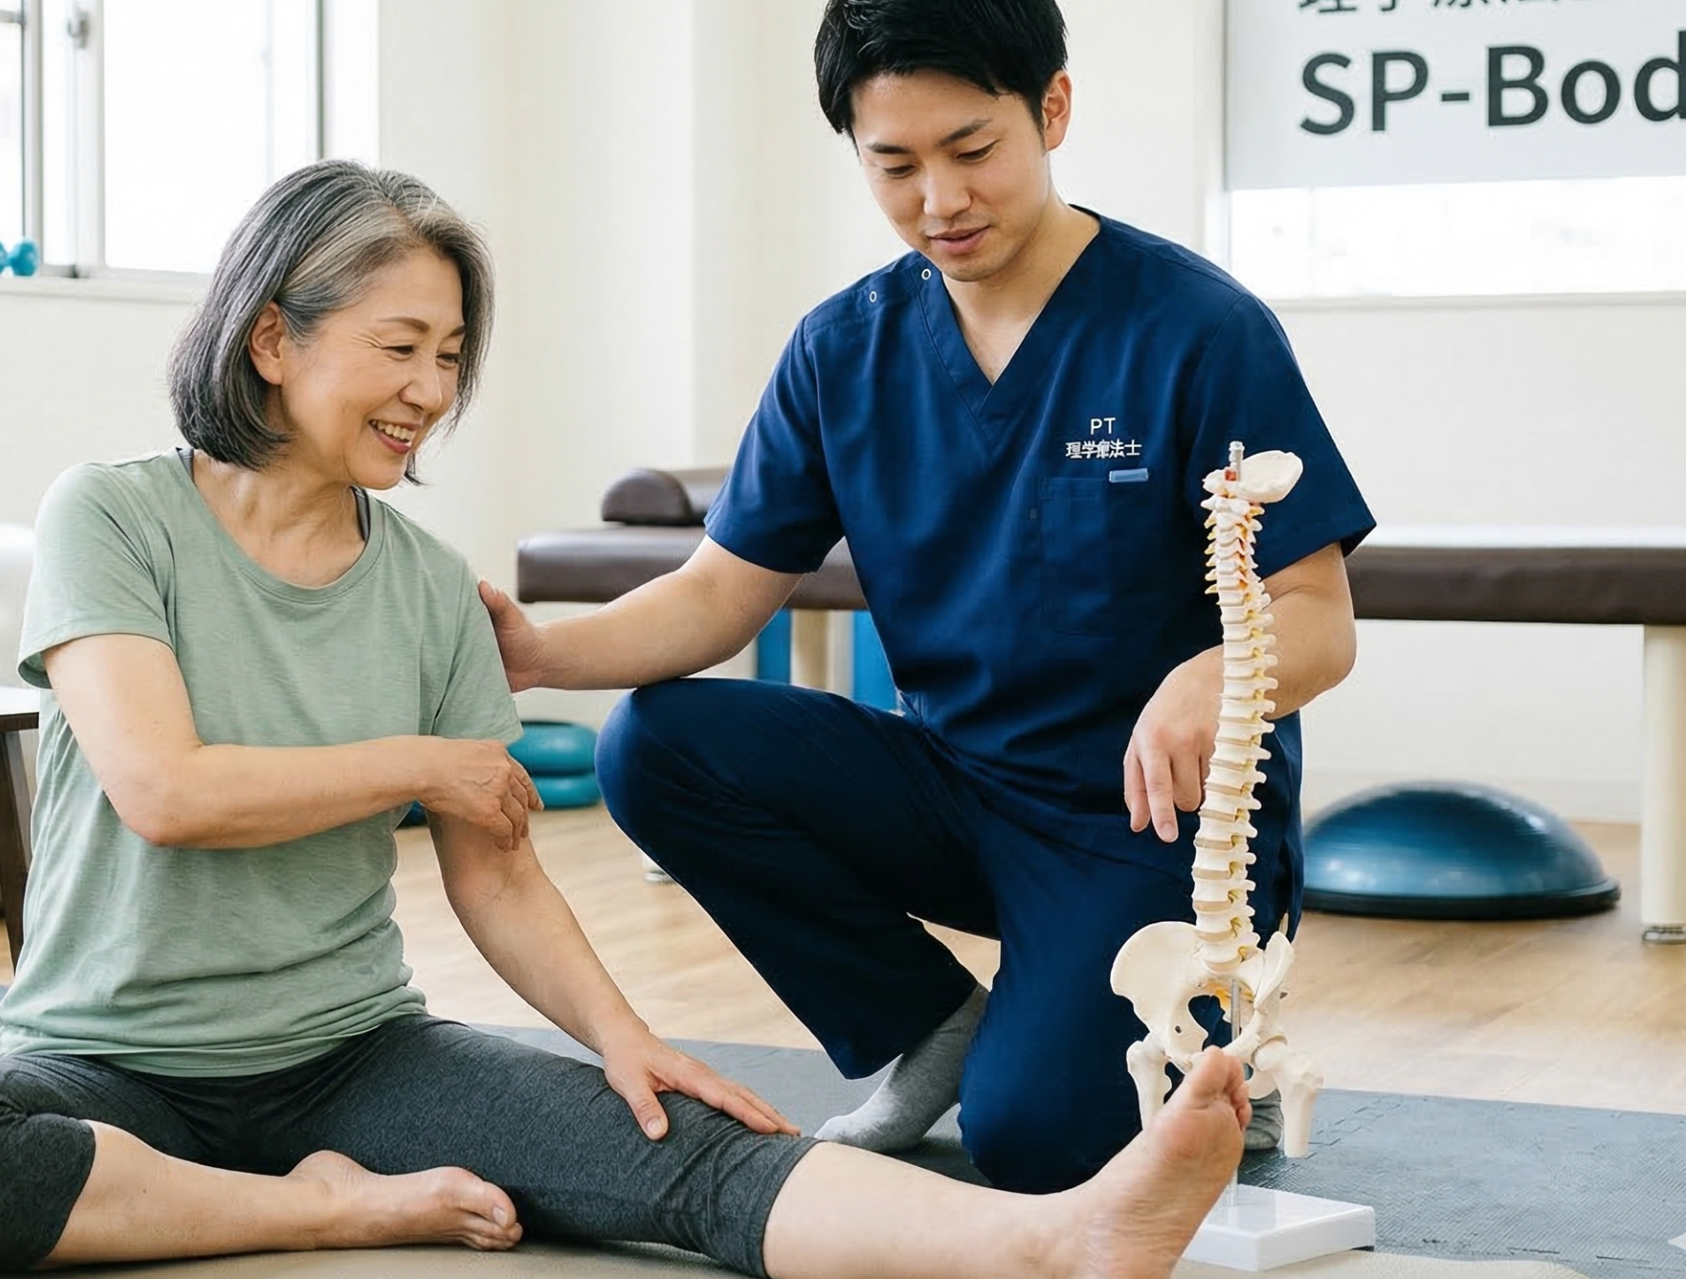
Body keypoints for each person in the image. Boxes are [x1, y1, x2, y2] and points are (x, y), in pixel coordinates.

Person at [0, 158, 1251, 1277]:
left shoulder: (426, 588)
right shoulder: (112, 517)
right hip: (106, 1065)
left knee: (687, 1141)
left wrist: (621, 1032)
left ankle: (1053, 1242)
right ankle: (330, 1208)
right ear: (272, 337)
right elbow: (165, 788)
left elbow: (498, 866)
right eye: (400, 347)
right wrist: (422, 763)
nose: (431, 391)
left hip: (355, 1057)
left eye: (451, 355)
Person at [480, 0, 1375, 1198]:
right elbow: (715, 595)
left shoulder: (1197, 329)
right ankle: (925, 1021)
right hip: (954, 787)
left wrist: (1210, 677)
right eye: (893, 164)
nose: (938, 200)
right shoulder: (843, 349)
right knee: (656, 744)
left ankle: (1204, 1060)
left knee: (1036, 1140)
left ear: (1051, 109)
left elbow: (1317, 614)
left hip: (1146, 828)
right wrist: (536, 652)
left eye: (971, 149)